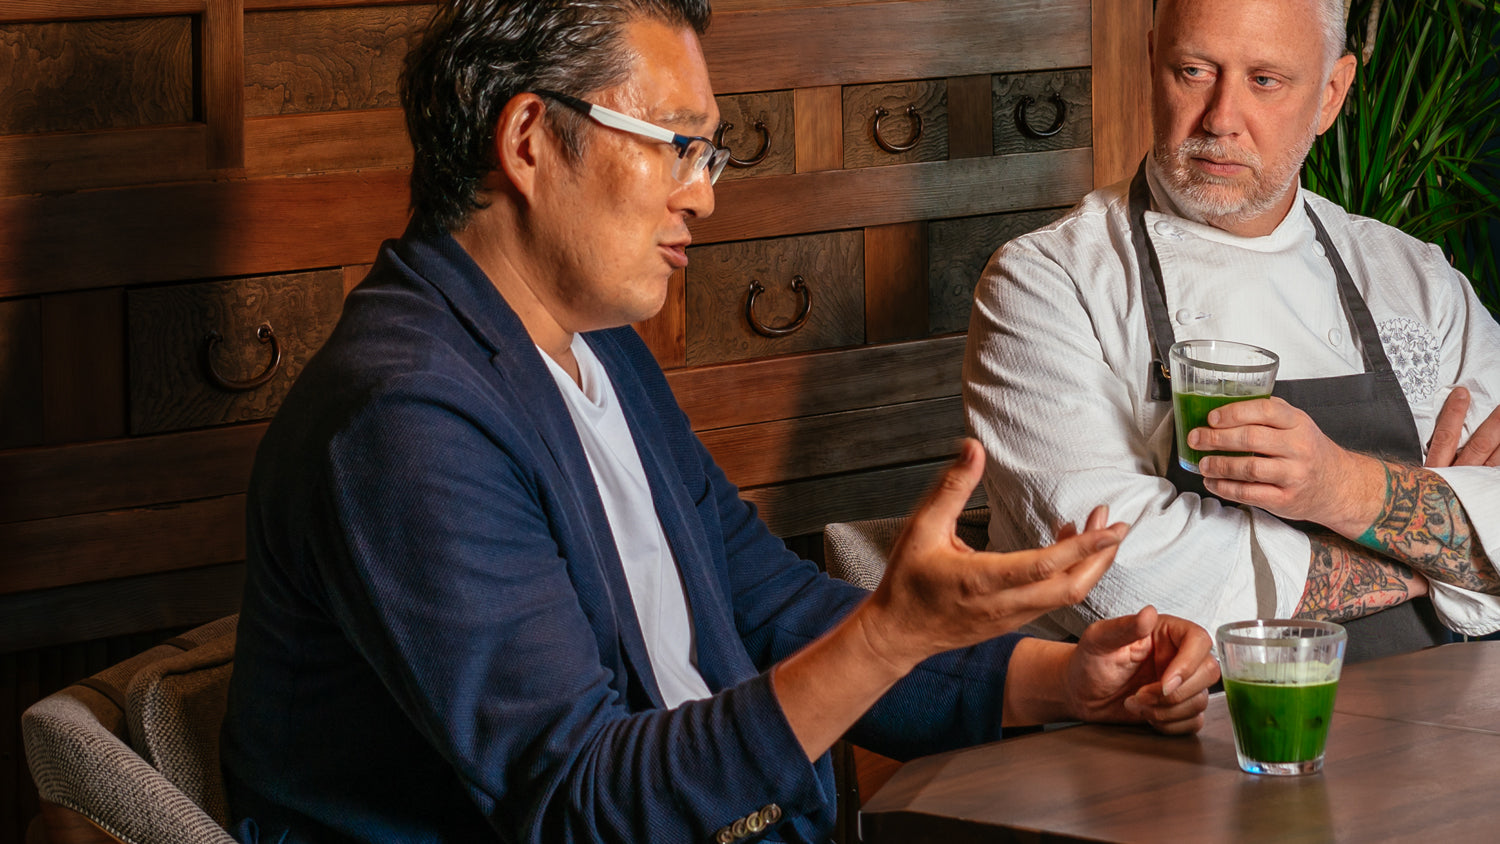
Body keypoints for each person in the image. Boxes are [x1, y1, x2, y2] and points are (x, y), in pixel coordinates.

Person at [220, 1, 1220, 842]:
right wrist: (889, 635)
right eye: (676, 146)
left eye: (710, 153)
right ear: (529, 140)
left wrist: (1066, 681)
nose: (701, 194)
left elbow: (766, 603)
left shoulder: (592, 339)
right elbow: (577, 802)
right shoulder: (405, 418)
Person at [965, 0, 1500, 660]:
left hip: (1435, 733)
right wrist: (1436, 551)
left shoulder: (1416, 279)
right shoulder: (1045, 282)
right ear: (1153, 59)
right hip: (1160, 746)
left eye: (1265, 80)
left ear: (1331, 95)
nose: (1220, 119)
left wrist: (1345, 488)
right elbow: (1125, 579)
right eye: (1193, 71)